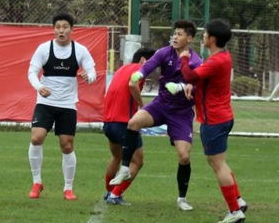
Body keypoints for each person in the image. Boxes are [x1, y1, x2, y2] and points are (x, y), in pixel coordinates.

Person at [110, 20, 202, 211]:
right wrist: (138, 75)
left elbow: (199, 88)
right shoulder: (164, 52)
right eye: (174, 33)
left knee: (184, 157)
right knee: (134, 122)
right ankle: (125, 169)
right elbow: (148, 66)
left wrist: (181, 87)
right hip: (161, 105)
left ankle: (182, 199)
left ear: (190, 38)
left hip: (181, 113)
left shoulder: (195, 61)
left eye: (180, 34)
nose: (175, 37)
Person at [167, 19, 247, 223]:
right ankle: (238, 201)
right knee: (219, 162)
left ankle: (234, 211)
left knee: (218, 164)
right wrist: (193, 87)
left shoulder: (216, 60)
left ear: (212, 39)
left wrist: (184, 59)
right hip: (222, 116)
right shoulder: (222, 56)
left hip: (214, 119)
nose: (202, 36)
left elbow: (190, 75)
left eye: (205, 34)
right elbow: (202, 81)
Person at [27, 13, 96, 200]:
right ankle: (37, 182)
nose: (61, 30)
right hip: (45, 103)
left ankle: (68, 188)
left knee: (66, 145)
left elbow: (92, 72)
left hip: (67, 105)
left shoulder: (80, 50)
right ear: (53, 29)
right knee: (36, 137)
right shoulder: (44, 48)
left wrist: (87, 76)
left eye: (65, 27)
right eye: (58, 27)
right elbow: (32, 71)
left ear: (72, 30)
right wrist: (39, 87)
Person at [102, 47, 156, 205]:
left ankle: (108, 192)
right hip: (124, 123)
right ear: (143, 60)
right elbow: (132, 86)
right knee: (137, 162)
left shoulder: (122, 69)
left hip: (108, 122)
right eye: (154, 62)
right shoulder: (140, 70)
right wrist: (142, 105)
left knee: (117, 157)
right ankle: (115, 195)